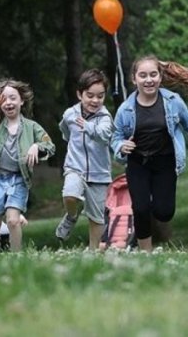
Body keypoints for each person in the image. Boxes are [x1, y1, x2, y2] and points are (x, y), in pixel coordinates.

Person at [112, 58, 188, 252]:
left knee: (164, 212)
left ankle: (154, 207)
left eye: (153, 75)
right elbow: (116, 136)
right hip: (138, 163)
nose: (148, 80)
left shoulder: (173, 101)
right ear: (134, 79)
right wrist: (121, 146)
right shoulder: (125, 109)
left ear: (160, 77)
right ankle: (145, 252)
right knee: (140, 209)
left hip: (165, 162)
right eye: (143, 76)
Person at [0, 79, 55, 252]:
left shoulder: (31, 127)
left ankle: (17, 255)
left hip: (17, 180)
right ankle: (6, 224)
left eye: (13, 98)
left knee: (13, 220)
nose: (9, 103)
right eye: (4, 99)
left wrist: (36, 146)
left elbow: (50, 146)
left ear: (21, 101)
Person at [56, 69, 114, 250]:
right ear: (79, 94)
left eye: (100, 96)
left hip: (99, 173)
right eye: (90, 96)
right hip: (75, 167)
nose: (95, 101)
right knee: (69, 194)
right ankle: (72, 216)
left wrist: (88, 126)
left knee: (96, 217)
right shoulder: (70, 114)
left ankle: (93, 251)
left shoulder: (105, 117)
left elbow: (104, 136)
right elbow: (65, 131)